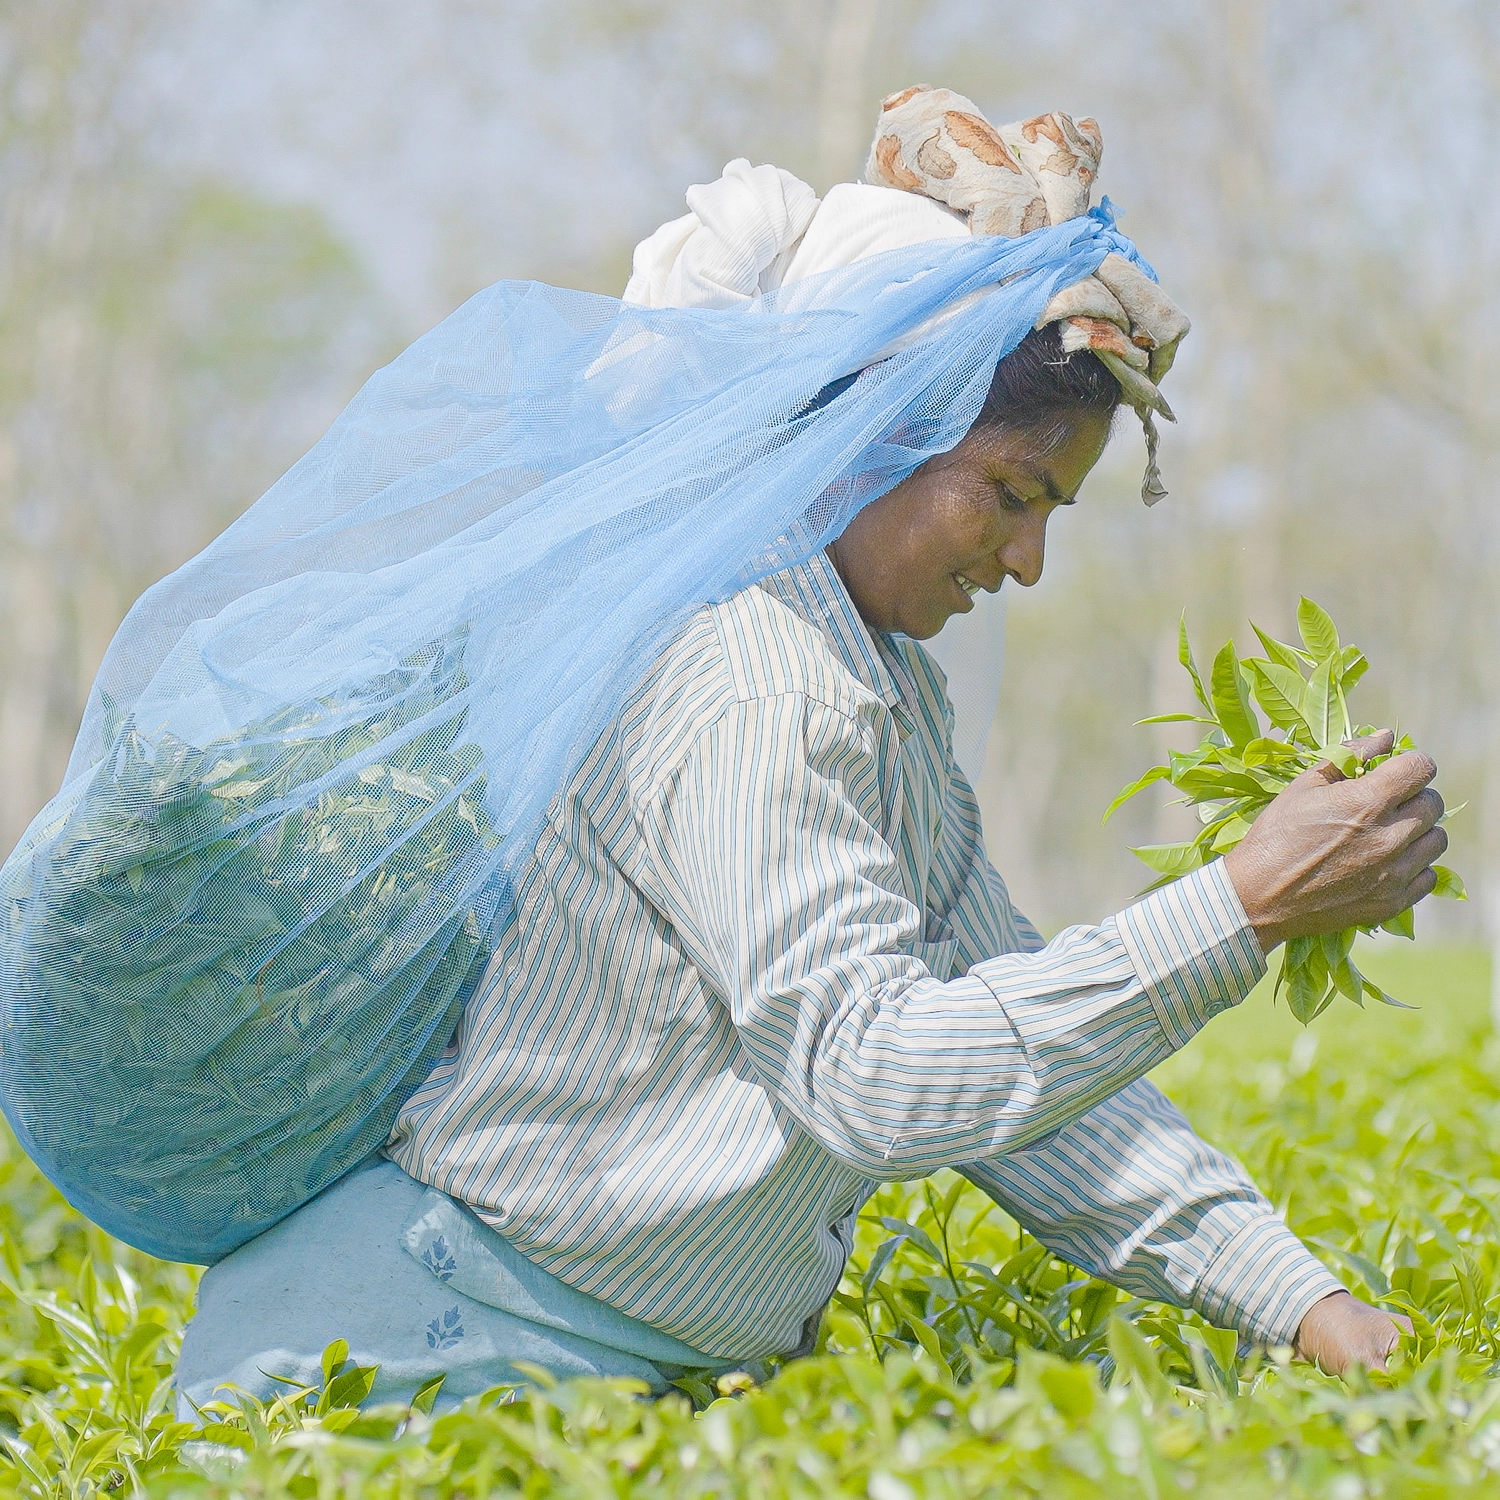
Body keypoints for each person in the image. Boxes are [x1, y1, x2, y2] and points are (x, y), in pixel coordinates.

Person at [174, 88, 1441, 1409]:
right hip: (417, 1361)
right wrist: (1237, 908)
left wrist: (1304, 1303)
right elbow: (878, 1077)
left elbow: (1022, 1067)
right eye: (1010, 494)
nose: (1028, 560)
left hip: (592, 1371)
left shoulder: (876, 694)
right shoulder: (748, 673)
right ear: (877, 429)